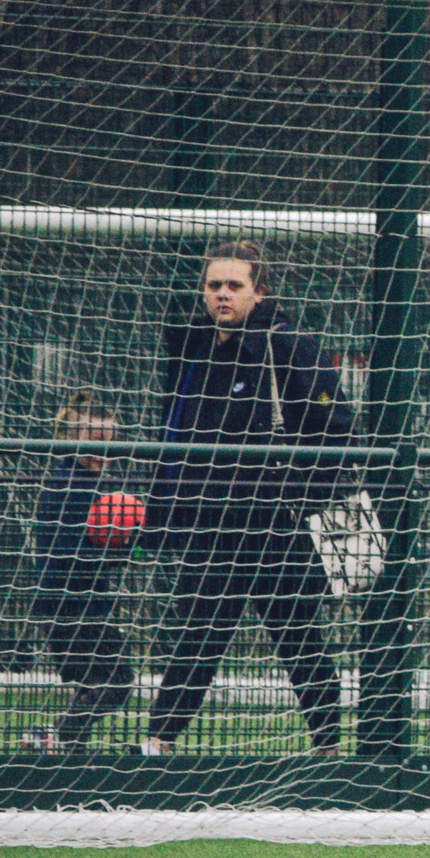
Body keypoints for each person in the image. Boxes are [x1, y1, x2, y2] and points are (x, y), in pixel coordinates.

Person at [144, 240, 353, 756]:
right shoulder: (192, 350)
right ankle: (158, 741)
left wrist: (300, 492)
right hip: (211, 523)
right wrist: (167, 508)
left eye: (234, 285)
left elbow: (337, 426)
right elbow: (175, 434)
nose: (222, 294)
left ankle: (329, 745)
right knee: (198, 633)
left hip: (276, 524)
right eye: (214, 284)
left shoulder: (289, 346)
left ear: (259, 292)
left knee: (298, 635)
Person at [21, 392, 136, 753]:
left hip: (76, 605)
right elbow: (75, 554)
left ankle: (65, 749)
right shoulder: (69, 485)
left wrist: (125, 541)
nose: (102, 452)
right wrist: (120, 545)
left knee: (96, 683)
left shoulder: (88, 483)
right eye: (94, 441)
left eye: (108, 442)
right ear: (71, 438)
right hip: (71, 608)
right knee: (116, 681)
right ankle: (55, 735)